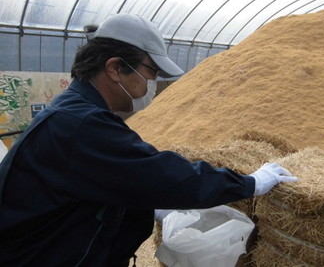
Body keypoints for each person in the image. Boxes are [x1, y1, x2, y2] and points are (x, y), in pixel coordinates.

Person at [0, 13, 297, 267]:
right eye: (151, 73)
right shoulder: (82, 125)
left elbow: (105, 183)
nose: (151, 86)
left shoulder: (74, 111)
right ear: (115, 68)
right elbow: (162, 174)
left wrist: (146, 209)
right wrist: (250, 183)